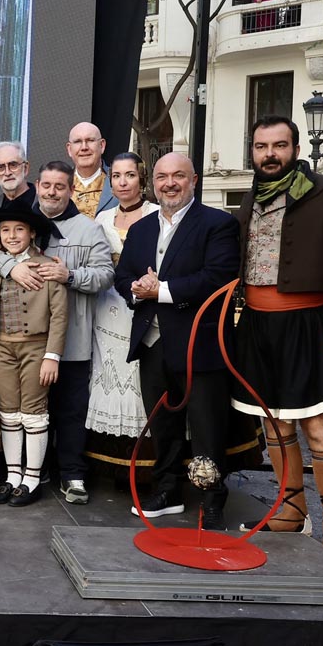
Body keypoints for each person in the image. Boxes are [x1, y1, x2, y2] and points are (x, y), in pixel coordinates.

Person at [231, 116, 323, 560]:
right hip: (257, 325)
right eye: (261, 146)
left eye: (279, 145)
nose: (269, 154)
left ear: (295, 148)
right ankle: (291, 511)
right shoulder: (249, 198)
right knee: (274, 424)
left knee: (319, 426)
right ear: (252, 151)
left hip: (311, 325)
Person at [114, 153, 240, 530]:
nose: (169, 183)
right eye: (162, 177)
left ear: (193, 180)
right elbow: (123, 276)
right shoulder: (141, 229)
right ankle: (167, 491)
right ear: (153, 182)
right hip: (153, 344)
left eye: (178, 176)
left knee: (206, 428)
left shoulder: (218, 224)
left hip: (200, 345)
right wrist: (136, 288)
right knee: (163, 426)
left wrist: (161, 290)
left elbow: (217, 277)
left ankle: (212, 499)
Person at [0, 160, 114, 505]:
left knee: (68, 411)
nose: (52, 192)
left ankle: (71, 474)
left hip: (69, 340)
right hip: (18, 343)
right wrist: (12, 267)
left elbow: (105, 276)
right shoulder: (21, 223)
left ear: (72, 189)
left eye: (60, 186)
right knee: (20, 410)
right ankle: (26, 473)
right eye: (46, 185)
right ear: (37, 186)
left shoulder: (89, 229)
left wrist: (70, 276)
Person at [0, 204, 67, 507]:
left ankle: (32, 478)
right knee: (8, 412)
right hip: (3, 349)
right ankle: (13, 475)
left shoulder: (46, 266)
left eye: (19, 229)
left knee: (33, 412)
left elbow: (59, 316)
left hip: (36, 348)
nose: (12, 235)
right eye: (5, 230)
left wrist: (52, 355)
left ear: (31, 233)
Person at [84, 153, 159, 479]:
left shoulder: (157, 214)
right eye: (116, 176)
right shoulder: (101, 219)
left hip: (145, 304)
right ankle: (109, 463)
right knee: (110, 375)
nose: (123, 182)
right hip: (108, 306)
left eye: (130, 175)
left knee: (140, 378)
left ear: (141, 179)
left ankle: (146, 466)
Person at [66, 122, 118, 219]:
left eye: (90, 140)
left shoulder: (119, 182)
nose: (84, 147)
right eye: (77, 141)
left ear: (102, 145)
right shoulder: (58, 184)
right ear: (69, 149)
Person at [0, 142, 36, 213]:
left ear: (25, 168)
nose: (7, 173)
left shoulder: (44, 202)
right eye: (1, 167)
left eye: (13, 165)